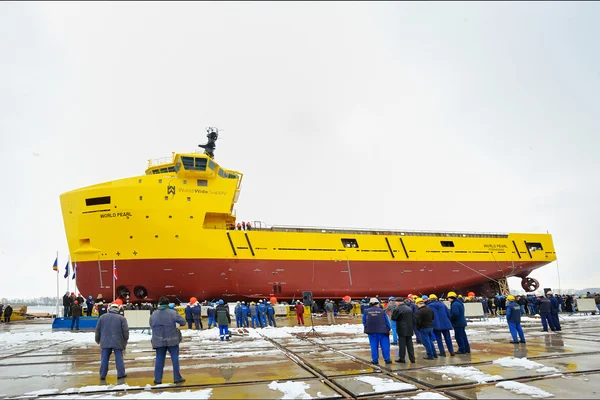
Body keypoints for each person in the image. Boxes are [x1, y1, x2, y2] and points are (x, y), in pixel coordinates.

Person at [150, 296, 186, 385]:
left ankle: (157, 379)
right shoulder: (173, 313)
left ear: (159, 304)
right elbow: (183, 322)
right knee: (175, 359)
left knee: (159, 359)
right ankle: (177, 378)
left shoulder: (154, 314)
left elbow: (151, 324)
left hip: (159, 340)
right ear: (168, 304)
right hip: (172, 339)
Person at [95, 303, 129, 382]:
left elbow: (97, 330)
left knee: (104, 358)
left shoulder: (102, 317)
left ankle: (102, 375)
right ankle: (121, 374)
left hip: (105, 341)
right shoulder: (122, 318)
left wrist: (97, 339)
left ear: (109, 309)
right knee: (119, 358)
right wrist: (126, 339)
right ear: (118, 310)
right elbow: (125, 331)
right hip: (118, 341)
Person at [362, 297, 392, 365]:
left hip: (371, 331)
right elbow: (387, 321)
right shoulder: (382, 311)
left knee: (373, 346)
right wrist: (388, 329)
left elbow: (364, 321)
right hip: (383, 331)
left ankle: (375, 360)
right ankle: (387, 359)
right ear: (377, 304)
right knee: (385, 345)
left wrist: (367, 327)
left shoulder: (366, 311)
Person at [391, 297, 416, 364]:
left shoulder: (397, 309)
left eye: (396, 302)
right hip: (409, 328)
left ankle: (402, 358)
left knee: (402, 345)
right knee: (410, 344)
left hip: (401, 329)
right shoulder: (409, 308)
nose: (395, 303)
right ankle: (412, 358)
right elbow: (413, 318)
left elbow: (394, 318)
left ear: (398, 302)